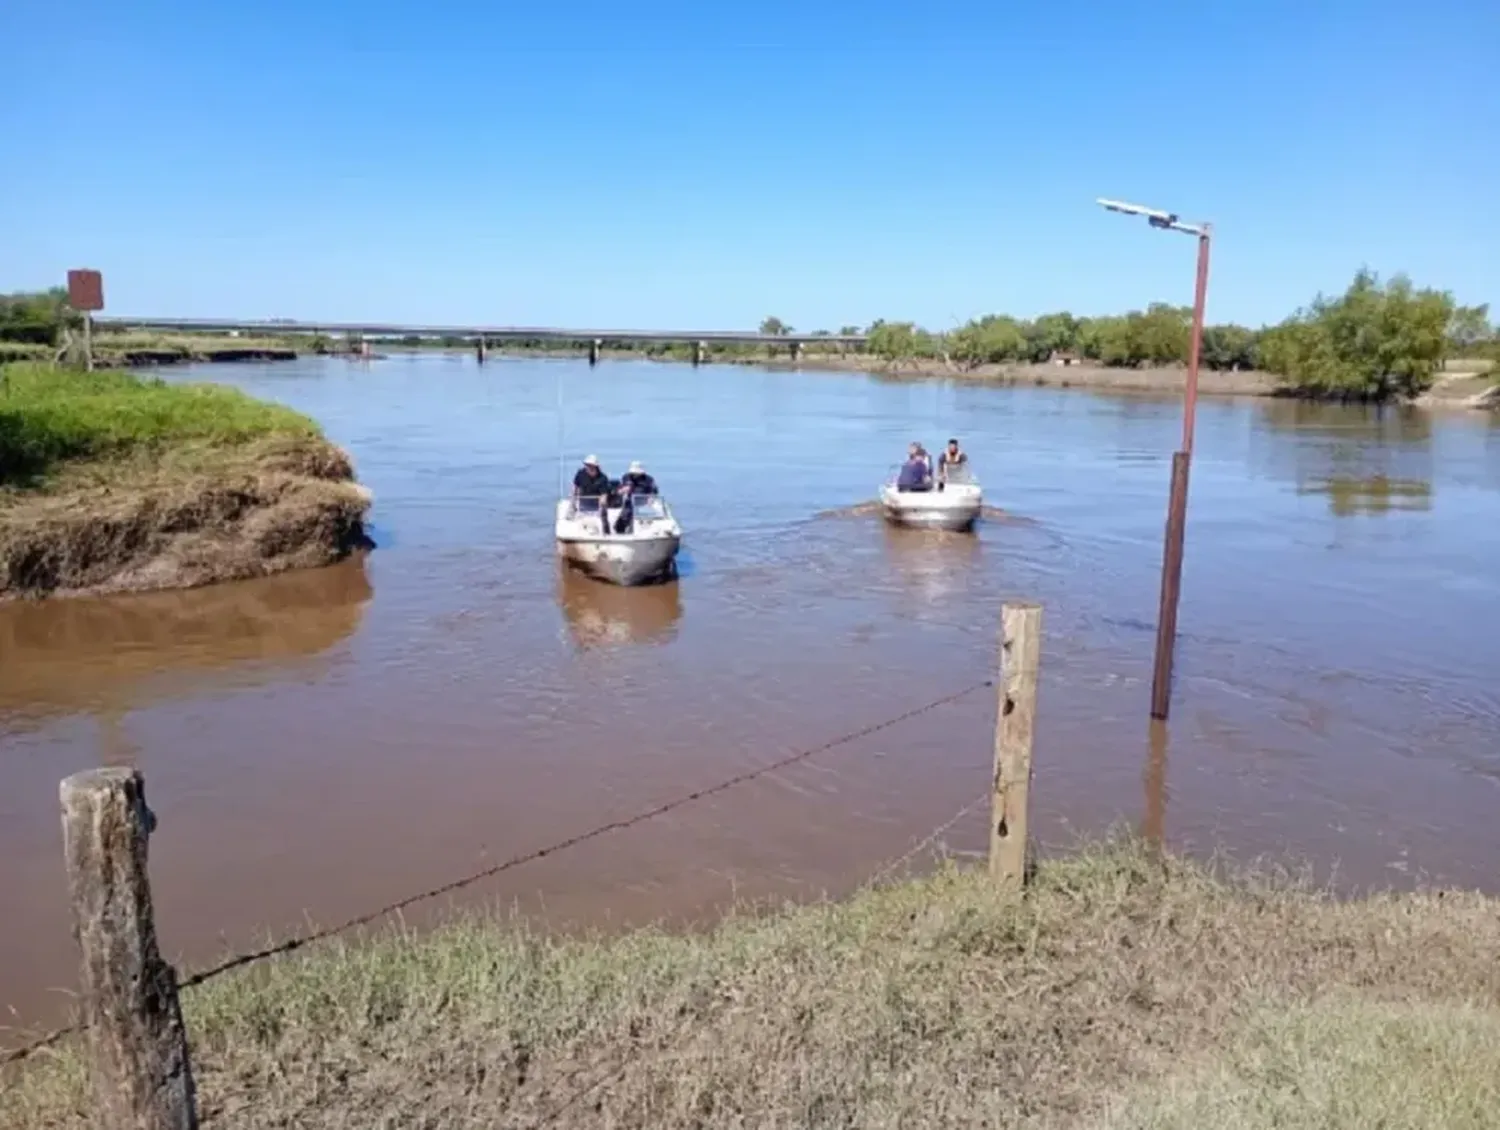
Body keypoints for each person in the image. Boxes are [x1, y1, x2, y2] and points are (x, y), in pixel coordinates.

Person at [613, 460, 658, 533]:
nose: (634, 475)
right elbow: (619, 490)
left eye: (636, 473)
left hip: (644, 504)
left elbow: (654, 491)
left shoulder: (649, 480)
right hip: (629, 504)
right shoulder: (626, 477)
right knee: (621, 522)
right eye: (633, 473)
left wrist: (651, 498)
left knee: (641, 524)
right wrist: (622, 490)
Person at [572, 454, 613, 534]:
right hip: (584, 503)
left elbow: (604, 494)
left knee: (603, 519)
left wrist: (602, 503)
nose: (588, 467)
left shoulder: (602, 478)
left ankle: (607, 534)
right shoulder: (580, 474)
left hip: (598, 505)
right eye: (587, 465)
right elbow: (575, 486)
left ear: (596, 466)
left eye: (591, 465)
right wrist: (573, 499)